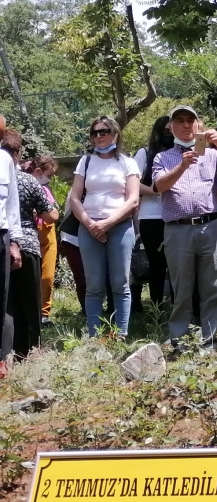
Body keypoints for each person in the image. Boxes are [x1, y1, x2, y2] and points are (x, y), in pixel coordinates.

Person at [153, 105, 217, 352]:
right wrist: (181, 166)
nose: (186, 125)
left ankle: (209, 340)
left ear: (198, 124)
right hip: (178, 229)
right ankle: (180, 341)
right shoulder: (163, 158)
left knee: (212, 287)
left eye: (190, 120)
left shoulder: (211, 154)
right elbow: (159, 186)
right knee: (181, 289)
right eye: (180, 120)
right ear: (171, 127)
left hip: (210, 226)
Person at [68, 116, 140, 338]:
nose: (99, 136)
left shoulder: (128, 163)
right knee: (94, 286)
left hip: (120, 228)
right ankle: (95, 336)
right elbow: (74, 197)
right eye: (95, 132)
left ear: (115, 135)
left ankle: (121, 334)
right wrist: (90, 224)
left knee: (120, 283)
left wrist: (107, 223)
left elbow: (133, 200)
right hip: (89, 228)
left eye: (104, 131)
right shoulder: (85, 161)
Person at [2, 131, 57, 358]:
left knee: (7, 302)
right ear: (18, 153)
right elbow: (51, 215)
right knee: (30, 302)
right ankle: (31, 350)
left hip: (4, 242)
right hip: (28, 245)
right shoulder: (27, 180)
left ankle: (7, 351)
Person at [133, 116, 174, 308]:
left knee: (177, 266)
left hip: (176, 217)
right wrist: (156, 191)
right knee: (156, 265)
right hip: (151, 218)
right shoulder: (145, 153)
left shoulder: (182, 154)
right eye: (165, 130)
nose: (168, 133)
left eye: (171, 129)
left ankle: (179, 308)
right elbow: (131, 184)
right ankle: (156, 308)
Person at [22, 156, 59, 327]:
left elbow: (52, 213)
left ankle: (44, 314)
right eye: (49, 175)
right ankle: (29, 312)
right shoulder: (23, 184)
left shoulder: (45, 190)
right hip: (30, 234)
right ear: (38, 171)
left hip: (47, 233)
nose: (50, 179)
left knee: (47, 276)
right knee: (30, 275)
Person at [0, 113, 23, 362]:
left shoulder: (5, 159)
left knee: (3, 298)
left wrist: (15, 242)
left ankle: (3, 358)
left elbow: (12, 205)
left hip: (2, 234)